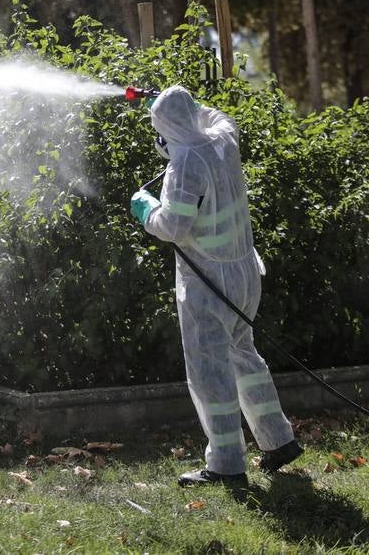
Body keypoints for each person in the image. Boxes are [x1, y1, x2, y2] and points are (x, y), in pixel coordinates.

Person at [130, 85, 302, 486]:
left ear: (163, 129)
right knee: (243, 355)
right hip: (244, 274)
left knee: (210, 373)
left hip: (209, 283)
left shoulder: (184, 164)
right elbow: (219, 116)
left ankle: (226, 466)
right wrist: (179, 103)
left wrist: (146, 208)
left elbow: (173, 226)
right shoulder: (223, 139)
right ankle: (278, 441)